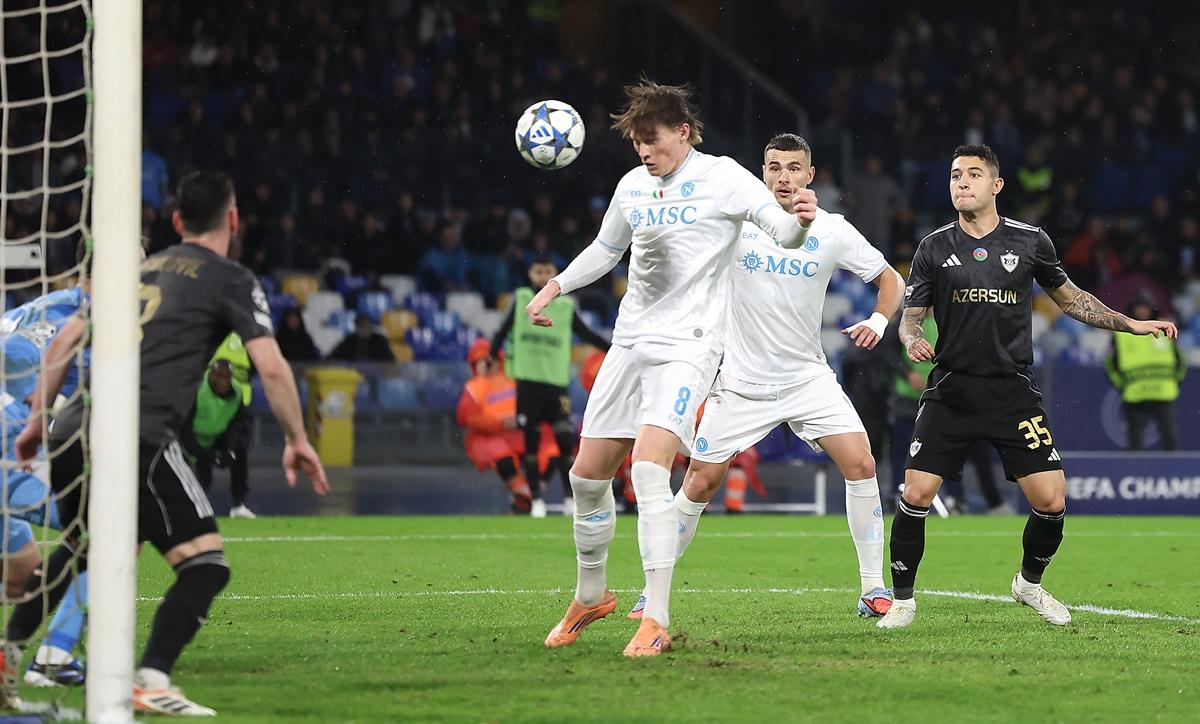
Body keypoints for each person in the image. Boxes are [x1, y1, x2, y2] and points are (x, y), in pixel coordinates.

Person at [6, 170, 329, 715]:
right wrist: (298, 438)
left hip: (72, 428)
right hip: (139, 431)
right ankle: (151, 678)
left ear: (177, 222)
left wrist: (38, 420)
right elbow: (269, 364)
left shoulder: (139, 270)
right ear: (233, 219)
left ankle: (9, 652)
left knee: (81, 548)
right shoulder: (230, 278)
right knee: (206, 565)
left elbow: (65, 337)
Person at [533, 80, 816, 657]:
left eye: (652, 140)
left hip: (689, 346)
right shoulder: (632, 185)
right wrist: (557, 286)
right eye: (637, 142)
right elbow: (606, 249)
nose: (643, 151)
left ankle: (655, 617)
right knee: (586, 477)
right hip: (631, 340)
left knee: (646, 469)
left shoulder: (725, 177)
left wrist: (803, 221)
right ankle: (592, 594)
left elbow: (782, 231)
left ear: (683, 132)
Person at [877, 145, 1177, 630]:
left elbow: (1072, 300)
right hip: (952, 389)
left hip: (1012, 390)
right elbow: (911, 319)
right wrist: (911, 339)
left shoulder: (1030, 241)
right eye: (955, 175)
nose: (962, 183)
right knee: (916, 493)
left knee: (1051, 500)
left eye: (973, 174)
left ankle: (1029, 585)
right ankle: (904, 600)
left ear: (996, 185)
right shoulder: (933, 246)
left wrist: (1129, 324)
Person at [625, 133, 906, 622]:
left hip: (806, 378)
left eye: (794, 168)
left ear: (810, 175)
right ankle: (652, 591)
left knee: (861, 464)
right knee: (699, 483)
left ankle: (872, 588)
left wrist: (879, 322)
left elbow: (890, 280)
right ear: (762, 173)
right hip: (739, 381)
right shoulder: (737, 225)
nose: (783, 177)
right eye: (774, 167)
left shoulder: (832, 229)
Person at [489, 255, 611, 518]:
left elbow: (586, 333)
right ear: (530, 272)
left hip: (556, 384)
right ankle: (535, 500)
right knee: (530, 443)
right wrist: (491, 353)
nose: (542, 275)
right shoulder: (522, 299)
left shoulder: (566, 306)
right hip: (528, 382)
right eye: (537, 269)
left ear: (556, 272)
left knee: (565, 440)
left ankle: (570, 499)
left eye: (548, 270)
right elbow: (502, 330)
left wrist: (613, 350)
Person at [455, 340, 560, 514]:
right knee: (501, 455)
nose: (486, 365)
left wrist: (526, 418)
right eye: (479, 362)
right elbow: (466, 417)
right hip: (493, 436)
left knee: (551, 452)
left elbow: (537, 403)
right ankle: (523, 493)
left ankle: (532, 492)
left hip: (522, 432)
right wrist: (499, 424)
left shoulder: (515, 380)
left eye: (489, 360)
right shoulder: (474, 387)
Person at [1105, 297, 1186, 450]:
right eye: (1139, 307)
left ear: (1151, 309)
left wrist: (1176, 381)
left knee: (1170, 439)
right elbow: (1110, 363)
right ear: (1132, 309)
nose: (1142, 310)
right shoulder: (1122, 332)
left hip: (1163, 392)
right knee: (1135, 441)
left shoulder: (1165, 329)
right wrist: (1121, 385)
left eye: (1145, 307)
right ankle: (1135, 473)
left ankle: (1174, 470)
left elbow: (1180, 359)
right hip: (1135, 393)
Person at [203, 334, 257, 517]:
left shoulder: (243, 331)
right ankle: (196, 501)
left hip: (238, 400)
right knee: (201, 451)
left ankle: (238, 503)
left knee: (239, 450)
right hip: (209, 399)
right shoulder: (209, 328)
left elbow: (256, 362)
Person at [329, 314, 395, 362]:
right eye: (361, 325)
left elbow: (390, 359)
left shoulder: (380, 340)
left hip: (376, 373)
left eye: (366, 325)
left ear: (371, 326)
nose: (364, 327)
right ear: (357, 327)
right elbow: (334, 355)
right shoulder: (350, 340)